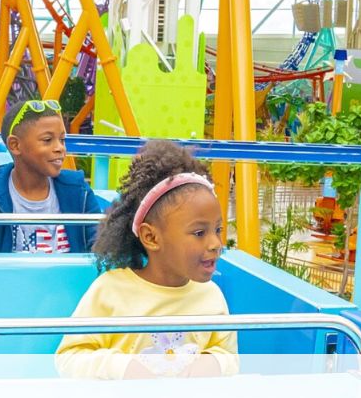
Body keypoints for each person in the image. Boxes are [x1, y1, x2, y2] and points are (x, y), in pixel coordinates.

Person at [55, 140, 238, 379]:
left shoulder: (211, 296)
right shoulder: (110, 291)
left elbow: (228, 354)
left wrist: (214, 363)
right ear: (151, 237)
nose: (215, 244)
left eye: (218, 230)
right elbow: (69, 356)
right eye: (199, 233)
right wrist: (123, 368)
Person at [0, 100, 102, 253]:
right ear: (15, 145)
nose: (60, 148)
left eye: (62, 140)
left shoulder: (78, 189)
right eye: (47, 140)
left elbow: (101, 244)